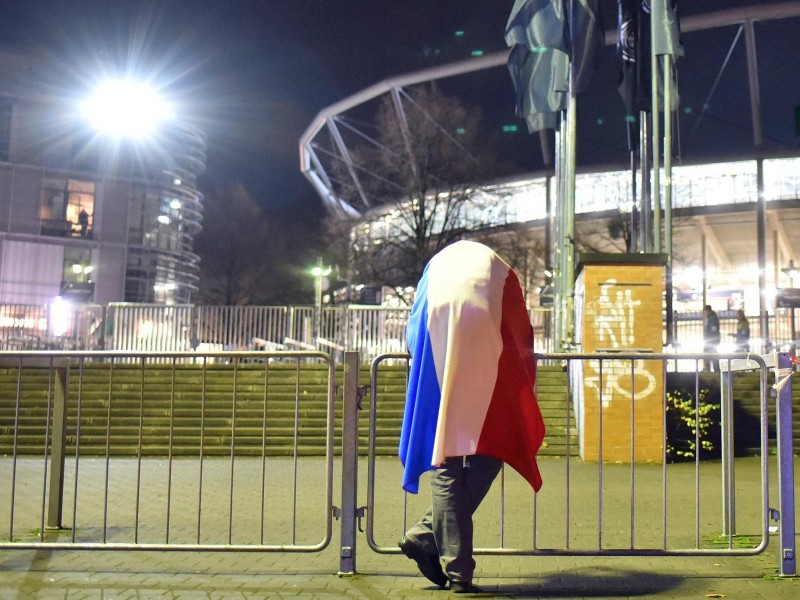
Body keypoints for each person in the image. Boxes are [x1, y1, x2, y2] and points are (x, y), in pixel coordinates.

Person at [397, 240, 545, 593]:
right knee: (493, 449)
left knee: (444, 457)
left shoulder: (436, 266)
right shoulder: (498, 266)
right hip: (486, 337)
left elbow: (415, 321)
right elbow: (519, 326)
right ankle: (443, 556)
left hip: (438, 335)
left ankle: (442, 553)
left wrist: (418, 358)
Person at [703, 304, 721, 371]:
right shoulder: (710, 317)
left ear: (707, 311)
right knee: (711, 356)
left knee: (711, 356)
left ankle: (713, 371)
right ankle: (712, 370)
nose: (704, 313)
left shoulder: (712, 318)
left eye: (704, 311)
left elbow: (714, 329)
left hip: (711, 341)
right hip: (710, 341)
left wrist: (710, 339)